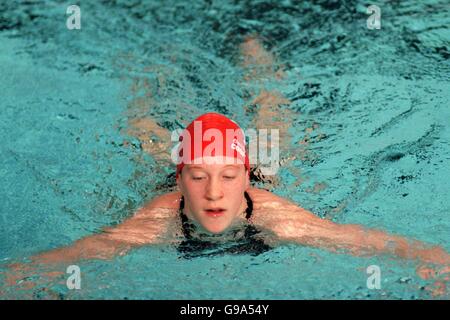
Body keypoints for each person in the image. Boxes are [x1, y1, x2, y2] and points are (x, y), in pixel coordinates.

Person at [5, 112, 449, 298]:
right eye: (198, 178)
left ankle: (260, 64)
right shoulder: (159, 218)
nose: (214, 193)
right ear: (180, 182)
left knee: (275, 128)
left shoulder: (277, 215)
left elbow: (370, 242)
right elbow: (80, 254)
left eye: (228, 179)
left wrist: (438, 267)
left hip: (260, 171)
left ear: (245, 180)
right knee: (145, 135)